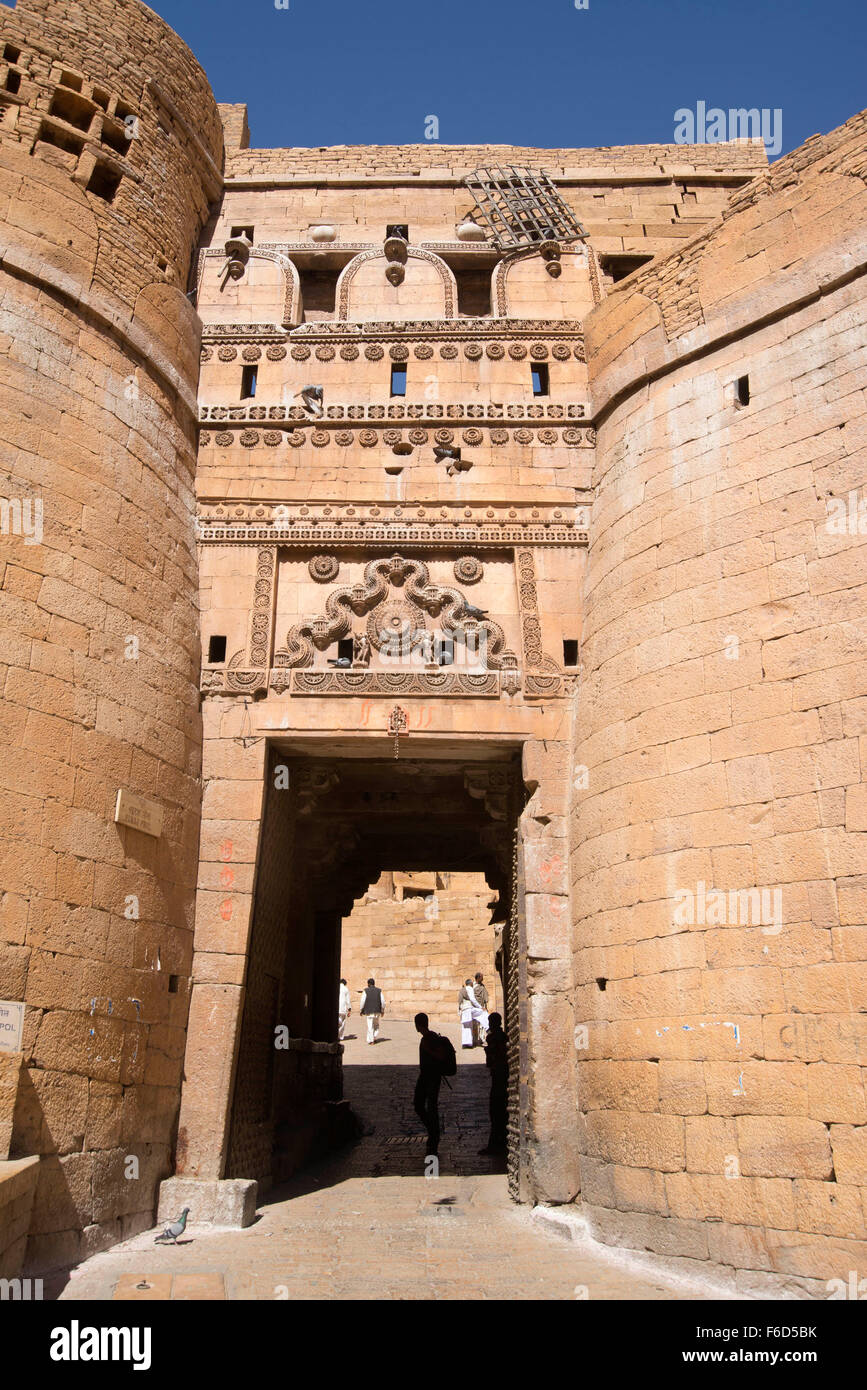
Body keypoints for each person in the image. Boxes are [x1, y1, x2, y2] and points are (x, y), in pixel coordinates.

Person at [413, 1012, 444, 1155]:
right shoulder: (429, 1037)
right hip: (428, 1077)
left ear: (418, 1025)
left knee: (427, 1106)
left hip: (429, 1077)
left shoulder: (430, 1039)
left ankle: (434, 1132)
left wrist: (429, 1050)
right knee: (423, 1105)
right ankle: (433, 1131)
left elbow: (438, 1055)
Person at [479, 1012, 508, 1154]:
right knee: (500, 1111)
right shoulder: (504, 1037)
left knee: (496, 1111)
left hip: (498, 1077)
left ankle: (496, 1145)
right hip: (502, 1077)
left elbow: (493, 1059)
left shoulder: (493, 1038)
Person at [359, 977, 385, 1044]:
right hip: (377, 1011)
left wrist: (361, 1009)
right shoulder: (379, 991)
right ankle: (374, 1037)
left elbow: (362, 1001)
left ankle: (371, 1040)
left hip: (369, 1011)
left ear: (368, 984)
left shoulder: (366, 991)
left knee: (370, 1026)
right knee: (376, 1025)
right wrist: (382, 1010)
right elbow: (383, 1002)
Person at [457, 978, 476, 1048]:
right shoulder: (470, 989)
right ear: (470, 983)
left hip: (463, 1009)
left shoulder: (462, 990)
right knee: (469, 1025)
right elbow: (472, 999)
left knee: (464, 1026)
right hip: (468, 1008)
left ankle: (465, 1043)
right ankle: (469, 1043)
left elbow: (459, 1001)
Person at [473, 971, 490, 1043]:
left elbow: (485, 997)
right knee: (476, 1024)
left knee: (482, 1024)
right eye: (482, 977)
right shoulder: (473, 986)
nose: (483, 979)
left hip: (481, 1007)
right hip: (476, 1007)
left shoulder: (481, 986)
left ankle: (481, 1038)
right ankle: (475, 1038)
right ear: (478, 978)